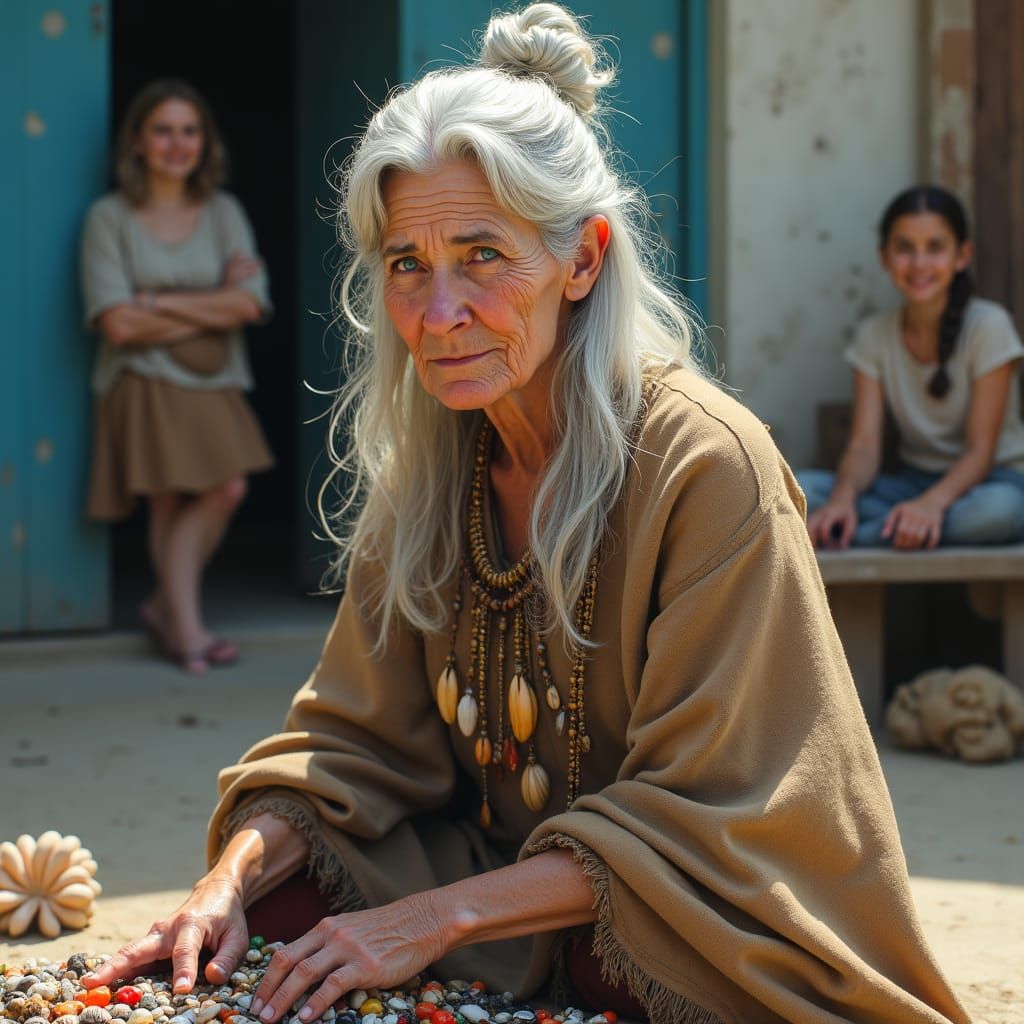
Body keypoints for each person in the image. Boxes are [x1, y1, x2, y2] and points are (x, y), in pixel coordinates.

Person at [82, 8, 969, 1023]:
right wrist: (225, 881)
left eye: (481, 256)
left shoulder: (704, 464)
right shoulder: (434, 463)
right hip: (506, 875)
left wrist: (436, 920)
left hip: (710, 899)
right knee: (282, 899)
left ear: (582, 260)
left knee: (625, 962)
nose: (437, 313)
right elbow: (348, 744)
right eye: (407, 265)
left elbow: (719, 818)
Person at [80, 79, 274, 672]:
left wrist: (155, 303)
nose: (177, 143)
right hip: (141, 378)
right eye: (162, 129)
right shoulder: (108, 218)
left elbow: (250, 306)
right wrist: (210, 304)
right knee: (166, 502)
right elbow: (116, 325)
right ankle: (186, 631)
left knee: (226, 488)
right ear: (137, 141)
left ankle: (166, 609)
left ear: (204, 142)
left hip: (216, 382)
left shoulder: (224, 213)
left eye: (189, 130)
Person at [799, 185, 1024, 550]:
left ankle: (866, 535)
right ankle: (899, 527)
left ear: (962, 256)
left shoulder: (989, 327)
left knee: (997, 513)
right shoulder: (874, 336)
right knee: (801, 489)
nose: (919, 264)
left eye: (935, 248)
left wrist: (931, 505)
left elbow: (981, 451)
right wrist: (843, 497)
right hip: (910, 483)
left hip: (989, 483)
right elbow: (864, 446)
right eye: (905, 248)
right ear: (884, 256)